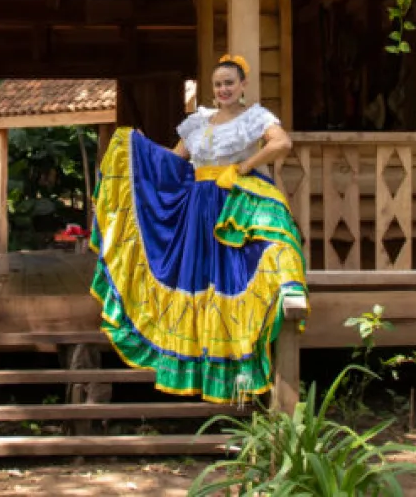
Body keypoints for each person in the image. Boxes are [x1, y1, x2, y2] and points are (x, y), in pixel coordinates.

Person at [89, 54, 308, 404]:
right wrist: (139, 151)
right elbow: (176, 160)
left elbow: (281, 143)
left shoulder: (255, 117)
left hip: (235, 199)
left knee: (238, 272)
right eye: (218, 84)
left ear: (242, 86)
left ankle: (239, 356)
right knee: (199, 280)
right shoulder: (198, 121)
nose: (223, 89)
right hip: (197, 207)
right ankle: (197, 363)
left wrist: (243, 167)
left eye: (229, 83)